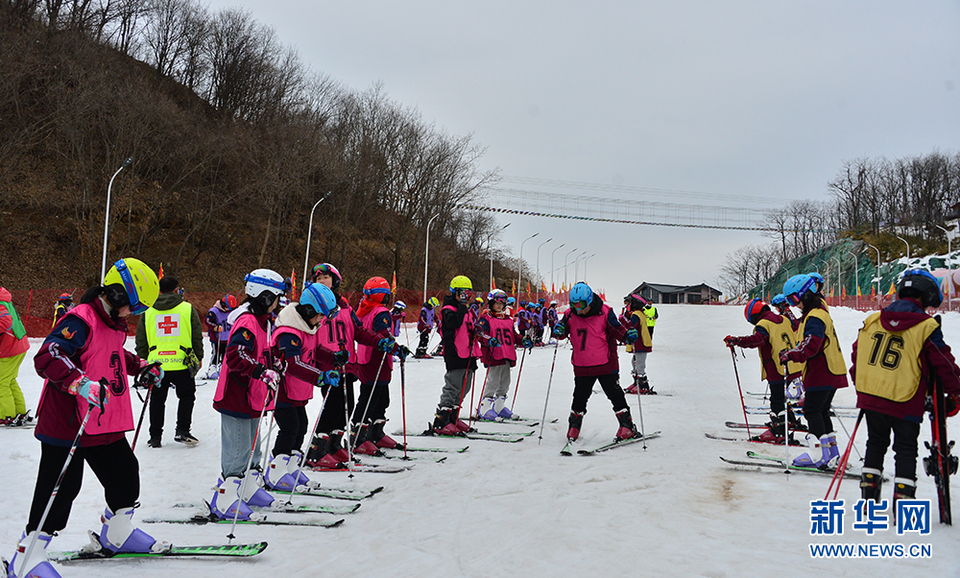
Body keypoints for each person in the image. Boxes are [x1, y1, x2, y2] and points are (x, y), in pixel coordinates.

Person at [8, 258, 166, 578]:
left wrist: (141, 367)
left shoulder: (112, 323)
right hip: (69, 421)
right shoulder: (81, 319)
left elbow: (113, 353)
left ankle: (118, 532)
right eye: (133, 307)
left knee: (125, 474)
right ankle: (28, 557)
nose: (133, 315)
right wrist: (79, 383)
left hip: (102, 418)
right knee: (61, 487)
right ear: (119, 296)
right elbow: (47, 355)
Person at [851, 269, 960, 508]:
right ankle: (903, 504)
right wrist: (956, 390)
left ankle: (869, 499)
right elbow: (943, 361)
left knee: (875, 443)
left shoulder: (872, 320)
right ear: (927, 296)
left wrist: (862, 384)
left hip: (872, 395)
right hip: (906, 398)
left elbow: (858, 355)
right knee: (905, 449)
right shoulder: (926, 325)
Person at [210, 269, 286, 520]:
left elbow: (263, 352)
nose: (278, 303)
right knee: (239, 447)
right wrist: (261, 370)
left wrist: (275, 364)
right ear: (264, 296)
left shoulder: (263, 321)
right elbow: (235, 355)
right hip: (237, 394)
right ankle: (225, 497)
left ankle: (249, 486)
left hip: (253, 393)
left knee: (254, 445)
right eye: (276, 297)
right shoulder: (246, 321)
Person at [301, 263, 381, 469]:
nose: (322, 282)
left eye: (326, 278)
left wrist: (378, 340)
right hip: (328, 365)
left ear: (335, 281)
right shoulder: (313, 305)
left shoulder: (344, 306)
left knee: (348, 405)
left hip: (348, 363)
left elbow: (358, 331)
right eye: (318, 280)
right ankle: (317, 448)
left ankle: (334, 444)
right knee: (333, 405)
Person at [264, 282, 342, 491]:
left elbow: (315, 350)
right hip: (284, 389)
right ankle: (276, 471)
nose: (321, 321)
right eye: (319, 315)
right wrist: (321, 377)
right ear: (308, 310)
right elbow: (293, 364)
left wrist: (333, 357)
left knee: (301, 427)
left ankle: (290, 467)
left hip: (298, 390)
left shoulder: (307, 328)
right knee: (290, 428)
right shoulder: (289, 333)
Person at [553, 282, 640, 442]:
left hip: (605, 363)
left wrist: (628, 336)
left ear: (590, 301)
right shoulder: (570, 314)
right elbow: (562, 331)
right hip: (582, 363)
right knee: (580, 395)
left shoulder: (605, 312)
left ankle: (626, 426)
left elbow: (616, 329)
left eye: (582, 305)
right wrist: (558, 331)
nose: (579, 309)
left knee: (614, 393)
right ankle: (574, 425)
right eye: (575, 306)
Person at [779, 273, 849, 468]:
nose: (793, 304)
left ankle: (818, 455)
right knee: (821, 411)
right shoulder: (819, 312)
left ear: (806, 294)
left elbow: (812, 345)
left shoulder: (815, 317)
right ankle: (831, 453)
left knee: (811, 410)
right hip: (830, 371)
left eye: (794, 299)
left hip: (822, 371)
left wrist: (791, 355)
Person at [135, 276, 203, 447]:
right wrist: (199, 357)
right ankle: (182, 430)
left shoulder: (148, 310)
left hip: (157, 365)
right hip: (181, 362)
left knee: (157, 400)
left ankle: (155, 436)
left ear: (159, 291)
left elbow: (141, 339)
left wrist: (143, 360)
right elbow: (196, 336)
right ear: (176, 290)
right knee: (187, 396)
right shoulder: (187, 308)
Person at [724, 298, 804, 438]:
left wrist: (737, 341)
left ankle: (779, 430)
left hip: (776, 365)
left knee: (776, 398)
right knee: (781, 395)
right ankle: (789, 419)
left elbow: (758, 339)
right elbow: (795, 325)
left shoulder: (764, 323)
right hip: (792, 364)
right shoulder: (782, 319)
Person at [350, 277, 410, 454]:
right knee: (371, 397)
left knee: (380, 396)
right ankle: (359, 436)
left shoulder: (362, 308)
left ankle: (375, 432)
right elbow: (384, 334)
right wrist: (397, 349)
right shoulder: (380, 312)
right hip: (378, 358)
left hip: (366, 357)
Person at [431, 275, 481, 435]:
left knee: (465, 387)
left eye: (468, 293)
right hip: (455, 353)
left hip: (468, 353)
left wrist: (476, 331)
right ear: (454, 292)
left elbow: (468, 327)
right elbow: (454, 323)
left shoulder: (466, 310)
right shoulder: (448, 310)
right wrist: (461, 306)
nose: (466, 296)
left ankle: (453, 416)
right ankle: (442, 419)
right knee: (453, 385)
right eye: (462, 292)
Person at [476, 289, 530, 420]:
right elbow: (480, 334)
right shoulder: (486, 318)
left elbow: (513, 335)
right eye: (496, 303)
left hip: (507, 352)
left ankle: (499, 405)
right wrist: (489, 340)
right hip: (494, 352)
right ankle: (485, 406)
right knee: (493, 380)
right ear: (491, 303)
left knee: (505, 381)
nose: (499, 306)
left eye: (502, 303)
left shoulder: (508, 319)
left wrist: (522, 340)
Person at [0, 287, 29, 424]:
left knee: (1, 382)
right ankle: (19, 411)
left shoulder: (1, 303)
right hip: (17, 345)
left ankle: (6, 414)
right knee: (10, 380)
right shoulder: (4, 299)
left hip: (9, 348)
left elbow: (5, 322)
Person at [621, 293, 655, 395]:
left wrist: (622, 319)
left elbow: (630, 325)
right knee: (634, 362)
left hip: (640, 343)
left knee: (639, 363)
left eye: (629, 303)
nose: (627, 305)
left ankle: (643, 385)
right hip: (638, 343)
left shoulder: (637, 314)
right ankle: (636, 382)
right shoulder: (637, 313)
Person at [204, 294, 238, 380]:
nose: (228, 311)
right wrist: (215, 327)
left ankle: (223, 369)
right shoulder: (214, 311)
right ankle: (212, 369)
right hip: (217, 338)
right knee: (216, 354)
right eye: (227, 308)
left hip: (228, 337)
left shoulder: (231, 311)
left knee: (226, 355)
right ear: (223, 305)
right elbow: (207, 321)